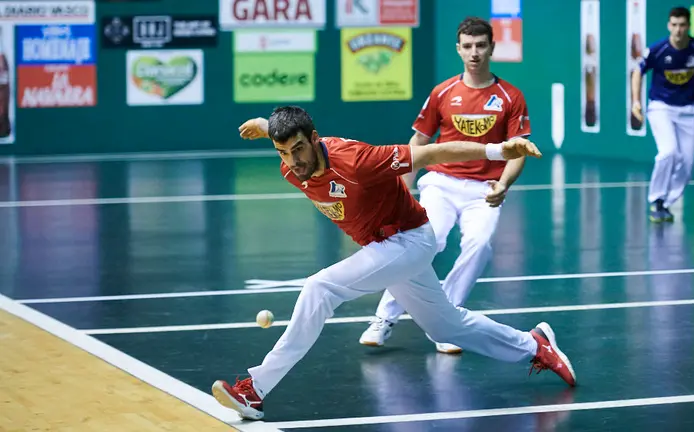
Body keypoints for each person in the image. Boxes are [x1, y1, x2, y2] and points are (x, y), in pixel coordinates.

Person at [211, 106, 576, 421]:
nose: (293, 161)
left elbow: (431, 153)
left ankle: (254, 388)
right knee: (447, 326)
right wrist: (264, 125)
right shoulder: (291, 167)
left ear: (315, 138)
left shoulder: (357, 161)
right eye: (283, 152)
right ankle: (534, 345)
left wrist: (497, 150)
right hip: (387, 251)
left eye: (299, 149)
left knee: (320, 287)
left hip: (410, 240)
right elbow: (281, 137)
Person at [359, 17, 531, 354]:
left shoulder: (510, 96)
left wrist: (504, 184)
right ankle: (383, 318)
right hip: (440, 182)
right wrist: (403, 187)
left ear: (492, 48)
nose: (475, 52)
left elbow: (518, 150)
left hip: (484, 189)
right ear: (458, 49)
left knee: (480, 246)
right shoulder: (443, 92)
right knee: (427, 242)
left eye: (481, 45)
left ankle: (444, 323)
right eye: (468, 46)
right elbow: (418, 142)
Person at [631, 6, 694, 223]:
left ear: (689, 26)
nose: (678, 30)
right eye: (674, 25)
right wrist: (636, 101)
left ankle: (666, 202)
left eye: (682, 25)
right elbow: (638, 71)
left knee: (687, 165)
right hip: (661, 107)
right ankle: (657, 200)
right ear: (668, 25)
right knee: (669, 152)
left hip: (688, 112)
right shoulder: (658, 49)